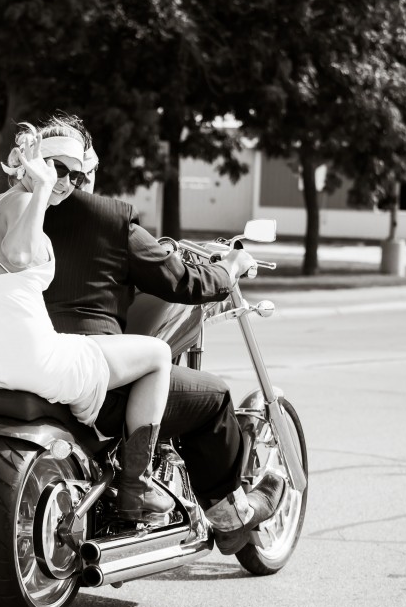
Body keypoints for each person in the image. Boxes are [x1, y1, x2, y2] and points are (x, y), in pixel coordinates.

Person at [36, 114, 287, 555]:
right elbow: (184, 283)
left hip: (22, 362)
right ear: (86, 171)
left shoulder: (9, 214)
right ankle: (228, 516)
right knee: (213, 398)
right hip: (91, 372)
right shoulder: (110, 220)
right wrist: (228, 267)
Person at [0, 121, 173, 519]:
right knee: (157, 354)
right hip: (31, 360)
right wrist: (42, 189)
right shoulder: (23, 204)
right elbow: (18, 255)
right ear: (30, 164)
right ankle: (135, 488)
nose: (67, 181)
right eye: (57, 168)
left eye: (77, 173)